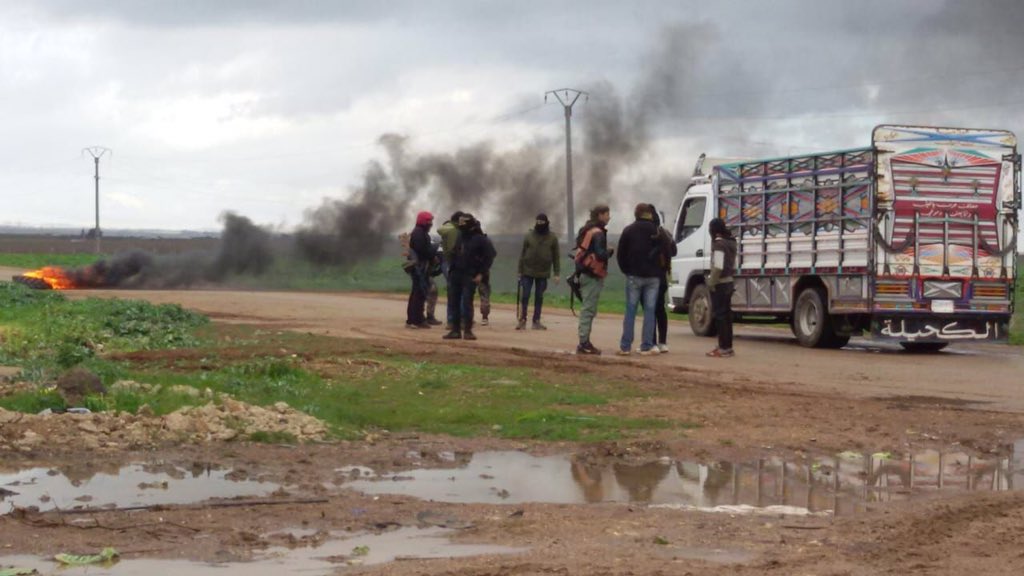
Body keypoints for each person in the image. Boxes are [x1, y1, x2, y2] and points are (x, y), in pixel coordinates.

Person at [616, 203, 662, 356]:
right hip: (653, 277)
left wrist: (626, 270)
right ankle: (647, 345)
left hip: (634, 275)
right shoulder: (657, 231)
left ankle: (625, 346)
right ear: (649, 214)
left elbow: (620, 254)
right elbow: (664, 251)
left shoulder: (628, 230)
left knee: (630, 310)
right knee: (650, 311)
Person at [444, 214, 495, 341]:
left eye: (463, 224)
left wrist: (481, 274)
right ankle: (455, 330)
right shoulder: (460, 236)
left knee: (467, 303)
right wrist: (451, 269)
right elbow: (455, 252)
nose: (461, 226)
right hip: (456, 274)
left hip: (470, 275)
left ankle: (467, 331)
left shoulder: (480, 239)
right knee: (454, 302)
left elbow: (490, 256)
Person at [574, 205, 612, 355]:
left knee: (587, 309)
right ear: (600, 215)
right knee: (588, 310)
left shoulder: (587, 229)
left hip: (584, 273)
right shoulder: (598, 234)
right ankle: (584, 343)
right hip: (592, 275)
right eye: (607, 214)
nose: (609, 217)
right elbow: (601, 254)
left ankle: (585, 341)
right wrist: (610, 251)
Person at [516, 213, 560, 330]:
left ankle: (536, 321)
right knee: (525, 295)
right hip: (527, 270)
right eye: (537, 222)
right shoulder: (529, 236)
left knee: (539, 297)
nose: (539, 224)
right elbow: (522, 254)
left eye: (542, 222)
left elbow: (556, 257)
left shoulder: (552, 237)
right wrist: (520, 271)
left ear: (546, 223)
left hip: (543, 272)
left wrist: (557, 273)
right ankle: (522, 319)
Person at [706, 217, 737, 358]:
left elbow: (718, 266)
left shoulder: (718, 244)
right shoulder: (731, 242)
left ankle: (722, 348)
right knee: (727, 317)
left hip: (721, 283)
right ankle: (728, 347)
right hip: (729, 281)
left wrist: (711, 283)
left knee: (720, 317)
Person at [649, 205, 677, 353]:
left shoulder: (650, 234)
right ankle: (663, 342)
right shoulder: (665, 234)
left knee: (651, 309)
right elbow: (674, 250)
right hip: (663, 276)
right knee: (661, 309)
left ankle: (652, 342)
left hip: (651, 275)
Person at [405, 211, 434, 329]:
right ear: (423, 221)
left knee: (418, 293)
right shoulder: (419, 233)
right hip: (419, 267)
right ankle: (415, 320)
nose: (431, 224)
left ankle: (415, 319)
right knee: (419, 293)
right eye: (429, 221)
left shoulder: (420, 232)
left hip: (420, 267)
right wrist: (433, 254)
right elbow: (422, 250)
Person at [437, 211, 464, 330]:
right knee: (458, 293)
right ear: (458, 220)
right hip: (453, 264)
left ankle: (451, 320)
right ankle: (456, 320)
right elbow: (455, 250)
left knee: (452, 292)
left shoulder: (448, 230)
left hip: (448, 263)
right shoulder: (454, 231)